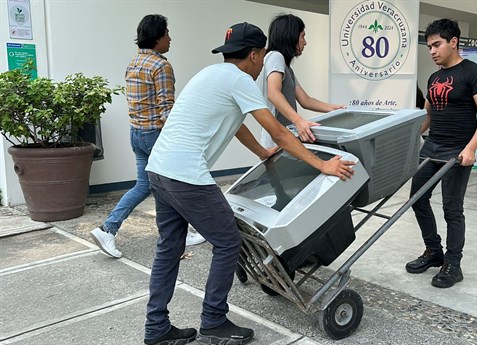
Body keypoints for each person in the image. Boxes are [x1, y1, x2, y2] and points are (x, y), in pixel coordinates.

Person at [142, 22, 355, 345]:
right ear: (255, 56)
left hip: (159, 169)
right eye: (262, 58)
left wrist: (262, 152)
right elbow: (281, 132)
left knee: (169, 249)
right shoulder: (240, 80)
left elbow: (237, 123)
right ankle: (213, 320)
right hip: (186, 175)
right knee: (228, 241)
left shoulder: (210, 75)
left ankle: (156, 328)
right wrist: (322, 165)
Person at [90, 14, 205, 259]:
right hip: (156, 135)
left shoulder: (133, 63)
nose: (170, 39)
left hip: (137, 134)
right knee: (177, 183)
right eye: (167, 34)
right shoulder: (161, 65)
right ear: (158, 37)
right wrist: (181, 138)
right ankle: (180, 235)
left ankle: (107, 229)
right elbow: (167, 110)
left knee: (145, 185)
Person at [404, 19, 477, 288]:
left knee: (452, 209)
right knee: (417, 199)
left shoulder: (474, 74)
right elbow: (428, 115)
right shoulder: (434, 77)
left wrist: (471, 148)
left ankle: (453, 265)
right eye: (429, 46)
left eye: (437, 45)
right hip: (432, 146)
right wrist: (410, 137)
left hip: (458, 149)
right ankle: (434, 252)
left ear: (453, 42)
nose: (432, 51)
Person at [258, 13, 344, 148]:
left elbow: (305, 100)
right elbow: (273, 93)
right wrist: (298, 121)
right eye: (302, 36)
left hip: (285, 139)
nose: (305, 42)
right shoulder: (275, 57)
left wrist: (336, 109)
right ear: (290, 36)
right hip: (276, 141)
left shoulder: (286, 68)